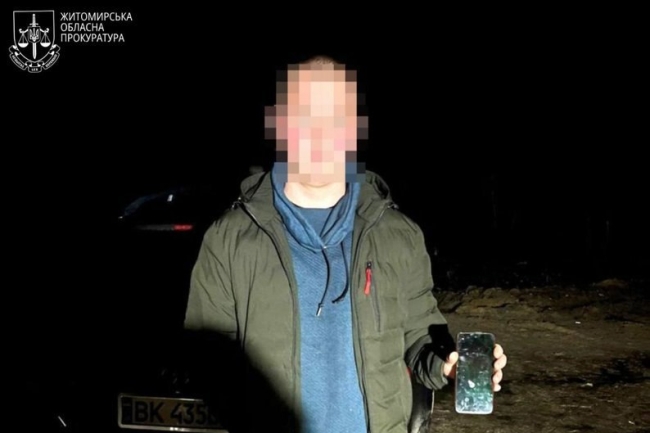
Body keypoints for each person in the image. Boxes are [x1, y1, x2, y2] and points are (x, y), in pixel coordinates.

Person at [184, 55, 507, 433]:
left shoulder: (398, 235)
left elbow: (420, 336)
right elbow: (208, 358)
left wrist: (447, 364)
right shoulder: (229, 239)